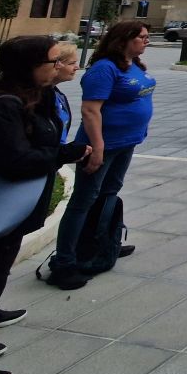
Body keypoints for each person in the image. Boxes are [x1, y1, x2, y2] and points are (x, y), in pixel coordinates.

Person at [0, 36, 91, 374]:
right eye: (53, 61)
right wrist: (64, 154)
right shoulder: (2, 105)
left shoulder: (31, 98)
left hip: (1, 216)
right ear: (29, 66)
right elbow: (14, 161)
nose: (59, 67)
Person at [47, 21, 154, 289]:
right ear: (123, 39)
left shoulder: (134, 64)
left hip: (126, 142)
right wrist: (98, 147)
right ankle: (65, 261)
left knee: (109, 194)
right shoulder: (104, 69)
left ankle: (103, 242)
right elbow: (90, 110)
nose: (146, 41)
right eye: (141, 37)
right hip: (102, 145)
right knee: (84, 200)